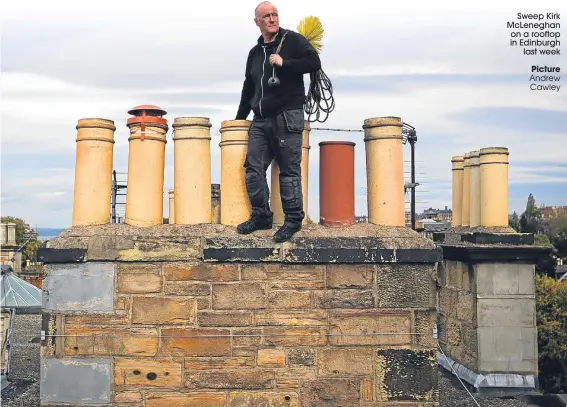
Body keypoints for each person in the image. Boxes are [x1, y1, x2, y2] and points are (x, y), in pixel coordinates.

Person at [235, 1, 321, 243]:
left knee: (289, 172)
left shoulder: (292, 40)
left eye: (274, 15)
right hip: (260, 120)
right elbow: (248, 87)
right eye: (266, 16)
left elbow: (314, 62)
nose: (272, 19)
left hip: (287, 115)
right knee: (252, 168)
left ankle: (293, 221)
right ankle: (261, 216)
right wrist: (240, 119)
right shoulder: (254, 53)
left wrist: (285, 64)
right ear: (257, 22)